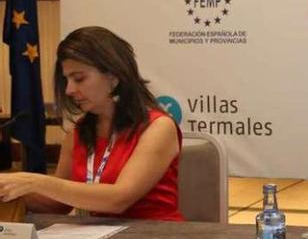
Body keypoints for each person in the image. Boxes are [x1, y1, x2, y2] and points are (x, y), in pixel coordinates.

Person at [0, 26, 183, 221]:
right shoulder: (77, 132)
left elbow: (119, 199)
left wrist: (33, 181)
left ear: (114, 76)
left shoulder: (158, 127)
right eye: (67, 80)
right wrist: (10, 189)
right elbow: (58, 203)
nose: (69, 90)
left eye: (79, 78)